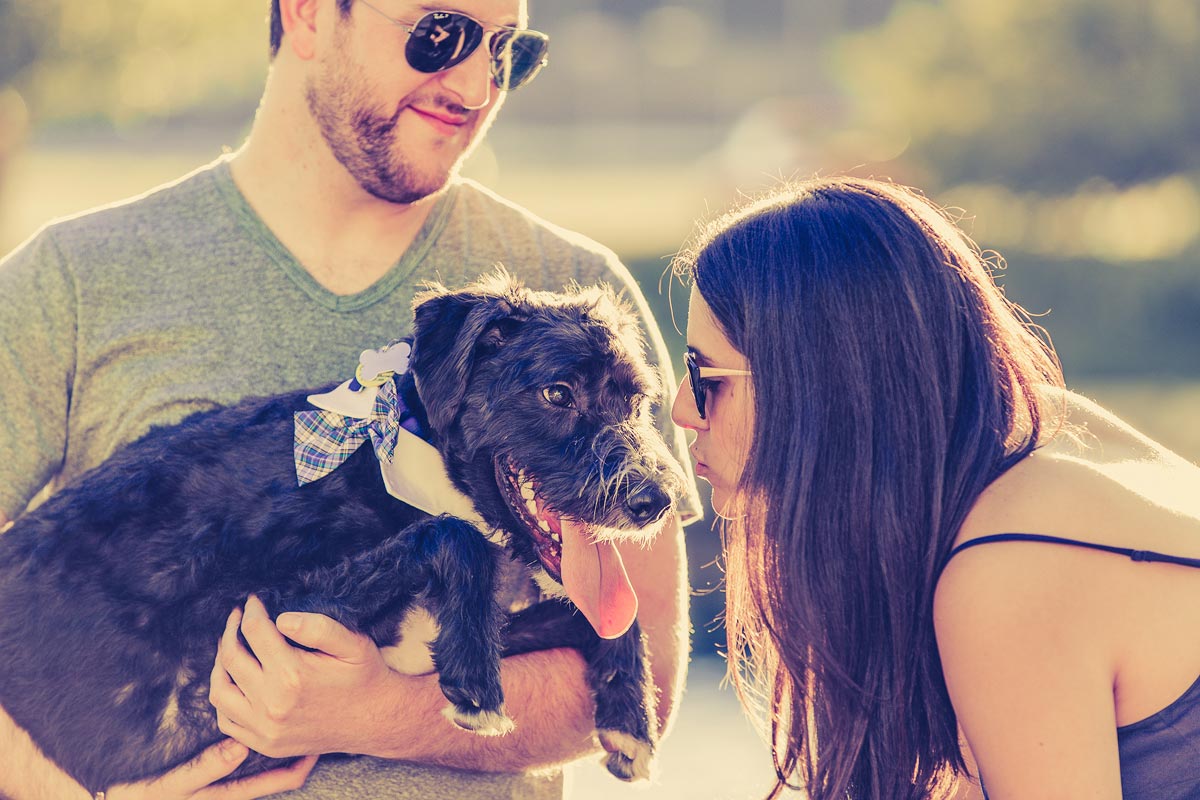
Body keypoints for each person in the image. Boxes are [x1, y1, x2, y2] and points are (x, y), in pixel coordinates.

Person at [0, 1, 700, 798]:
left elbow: (649, 671)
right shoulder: (72, 281)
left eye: (508, 50)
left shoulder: (579, 291)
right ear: (305, 14)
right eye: (441, 33)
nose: (476, 85)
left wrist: (384, 714)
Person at [668, 176, 1200, 800]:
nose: (682, 410)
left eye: (706, 375)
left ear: (819, 381)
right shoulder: (1035, 433)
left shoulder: (1008, 568)